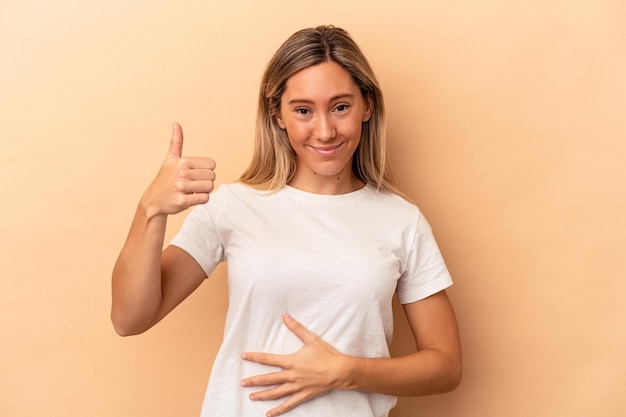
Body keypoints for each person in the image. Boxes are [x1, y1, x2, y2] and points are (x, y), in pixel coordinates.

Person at [111, 25, 462, 417]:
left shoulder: (401, 220)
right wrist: (150, 211)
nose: (325, 131)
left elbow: (445, 366)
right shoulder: (234, 206)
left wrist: (347, 371)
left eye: (341, 106)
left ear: (367, 106)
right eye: (303, 110)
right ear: (277, 114)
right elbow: (129, 318)